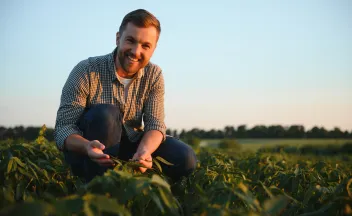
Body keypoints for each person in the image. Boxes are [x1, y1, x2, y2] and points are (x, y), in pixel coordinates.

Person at [53, 9, 197, 182]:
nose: (136, 52)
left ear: (153, 49)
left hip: (131, 145)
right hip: (91, 149)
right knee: (106, 114)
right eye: (131, 40)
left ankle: (141, 181)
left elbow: (155, 124)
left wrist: (145, 151)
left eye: (145, 45)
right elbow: (64, 127)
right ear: (117, 38)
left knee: (185, 157)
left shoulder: (154, 75)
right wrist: (86, 146)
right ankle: (98, 186)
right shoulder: (86, 70)